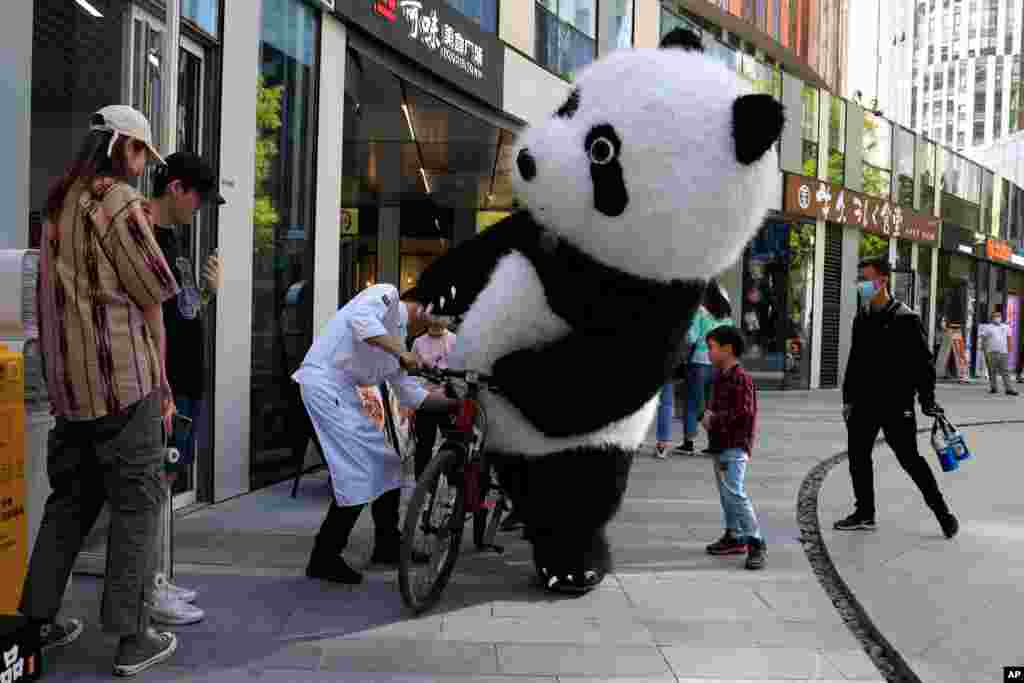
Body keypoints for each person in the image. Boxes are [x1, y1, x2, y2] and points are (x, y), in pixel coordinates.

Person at [27, 105, 180, 676]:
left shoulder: (57, 202)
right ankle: (132, 637)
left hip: (70, 390)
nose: (144, 167)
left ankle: (37, 620)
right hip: (123, 384)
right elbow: (153, 291)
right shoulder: (117, 202)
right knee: (138, 505)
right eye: (142, 153)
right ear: (124, 148)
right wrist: (162, 381)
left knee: (68, 503)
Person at [293, 285, 460, 584]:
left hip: (344, 395)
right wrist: (403, 354)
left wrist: (456, 403)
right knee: (357, 470)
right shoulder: (387, 295)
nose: (437, 322)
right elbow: (361, 322)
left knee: (388, 462)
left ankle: (387, 544)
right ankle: (324, 557)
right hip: (323, 385)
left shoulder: (398, 342)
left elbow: (412, 395)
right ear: (425, 307)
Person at [149, 152, 227, 625]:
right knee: (154, 487)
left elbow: (185, 309)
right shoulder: (147, 237)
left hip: (185, 383)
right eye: (197, 198)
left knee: (167, 482)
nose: (198, 208)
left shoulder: (173, 238)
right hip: (167, 385)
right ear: (176, 188)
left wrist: (209, 290)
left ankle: (156, 578)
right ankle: (148, 587)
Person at [835, 258, 958, 539]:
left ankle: (943, 513)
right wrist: (848, 399)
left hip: (896, 405)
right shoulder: (862, 317)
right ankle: (865, 513)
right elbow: (855, 362)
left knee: (910, 460)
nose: (862, 286)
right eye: (860, 280)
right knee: (858, 457)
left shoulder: (906, 318)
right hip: (864, 404)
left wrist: (927, 400)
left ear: (883, 281)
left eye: (866, 279)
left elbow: (923, 365)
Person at [701, 325, 765, 570]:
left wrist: (714, 419)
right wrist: (706, 415)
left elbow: (744, 413)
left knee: (735, 493)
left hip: (736, 446)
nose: (708, 353)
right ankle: (734, 536)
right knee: (726, 495)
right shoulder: (720, 378)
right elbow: (717, 408)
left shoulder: (742, 379)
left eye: (711, 347)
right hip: (719, 445)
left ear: (727, 349)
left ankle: (755, 541)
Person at [676, 280, 734, 454]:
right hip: (719, 364)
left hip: (699, 362)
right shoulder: (726, 314)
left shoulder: (700, 312)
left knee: (693, 404)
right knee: (713, 404)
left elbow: (692, 338)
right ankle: (714, 443)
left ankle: (689, 443)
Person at [410, 318, 457, 477]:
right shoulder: (418, 342)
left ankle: (453, 485)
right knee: (424, 445)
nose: (436, 321)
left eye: (441, 317)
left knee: (454, 444)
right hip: (426, 400)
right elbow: (412, 375)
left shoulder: (455, 340)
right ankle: (421, 488)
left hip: (449, 400)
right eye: (433, 317)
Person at [977, 308, 1019, 397]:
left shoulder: (1006, 327)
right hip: (992, 352)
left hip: (1003, 352)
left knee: (1005, 371)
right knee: (992, 371)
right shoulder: (988, 327)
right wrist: (984, 350)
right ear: (992, 318)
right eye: (996, 316)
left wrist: (1009, 350)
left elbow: (1009, 338)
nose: (997, 317)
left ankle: (1009, 389)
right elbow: (983, 339)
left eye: (999, 316)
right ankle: (993, 387)